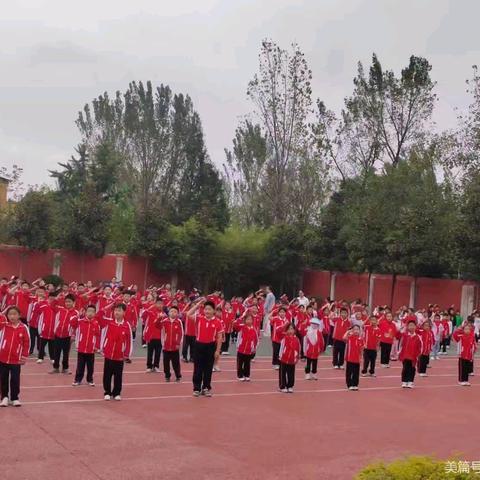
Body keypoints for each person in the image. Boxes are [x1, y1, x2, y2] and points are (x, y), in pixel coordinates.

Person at [186, 298, 224, 397]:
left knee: (208, 369)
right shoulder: (199, 318)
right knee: (198, 368)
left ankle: (206, 388)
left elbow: (219, 337)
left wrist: (217, 350)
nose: (207, 311)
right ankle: (197, 388)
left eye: (209, 309)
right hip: (199, 346)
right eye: (206, 309)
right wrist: (198, 304)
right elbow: (188, 314)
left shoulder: (218, 322)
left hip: (210, 347)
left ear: (214, 311)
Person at [98, 303, 133, 401]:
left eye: (119, 310)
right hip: (108, 354)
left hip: (119, 356)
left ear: (124, 313)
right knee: (107, 375)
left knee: (118, 376)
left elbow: (129, 341)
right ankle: (107, 392)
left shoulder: (126, 326)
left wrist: (127, 354)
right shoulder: (109, 322)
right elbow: (98, 316)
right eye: (115, 310)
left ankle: (116, 393)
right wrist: (108, 306)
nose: (117, 312)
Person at [0, 306, 30, 407]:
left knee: (15, 379)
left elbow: (27, 343)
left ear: (19, 315)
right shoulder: (4, 326)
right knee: (3, 378)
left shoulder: (23, 327)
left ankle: (14, 398)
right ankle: (4, 397)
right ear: (7, 316)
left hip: (16, 360)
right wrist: (2, 313)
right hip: (3, 358)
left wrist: (24, 356)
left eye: (14, 314)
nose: (12, 316)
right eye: (10, 314)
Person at [71, 304, 100, 386]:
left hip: (91, 350)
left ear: (95, 313)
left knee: (90, 367)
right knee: (80, 366)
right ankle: (77, 379)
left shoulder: (96, 323)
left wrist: (96, 346)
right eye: (89, 311)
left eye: (92, 312)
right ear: (86, 312)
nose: (90, 313)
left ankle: (90, 380)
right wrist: (79, 315)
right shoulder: (80, 321)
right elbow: (72, 322)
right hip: (81, 348)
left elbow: (98, 336)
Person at [50, 293, 78, 374]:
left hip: (67, 336)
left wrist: (73, 335)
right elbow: (52, 306)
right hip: (58, 335)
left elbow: (76, 325)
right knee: (56, 352)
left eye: (69, 302)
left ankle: (65, 368)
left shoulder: (75, 312)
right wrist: (56, 298)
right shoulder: (61, 309)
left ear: (73, 303)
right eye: (66, 302)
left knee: (66, 353)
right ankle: (56, 368)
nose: (67, 303)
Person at [157, 306, 183, 382]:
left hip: (175, 347)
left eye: (175, 311)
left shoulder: (179, 322)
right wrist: (159, 318)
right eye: (171, 311)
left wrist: (178, 343)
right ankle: (167, 375)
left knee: (176, 363)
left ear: (177, 313)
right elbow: (157, 325)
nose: (173, 313)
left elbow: (181, 333)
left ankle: (178, 375)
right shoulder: (164, 321)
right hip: (166, 346)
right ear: (168, 313)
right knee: (166, 363)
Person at [233, 313, 259, 381]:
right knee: (240, 363)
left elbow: (256, 339)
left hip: (249, 350)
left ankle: (246, 375)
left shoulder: (254, 329)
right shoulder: (241, 327)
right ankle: (240, 375)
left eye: (250, 319)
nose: (249, 321)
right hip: (241, 349)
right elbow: (235, 324)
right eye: (247, 319)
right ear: (244, 320)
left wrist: (254, 348)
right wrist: (241, 317)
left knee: (247, 364)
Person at [277, 323, 301, 393]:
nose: (291, 330)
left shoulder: (296, 339)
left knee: (291, 373)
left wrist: (297, 357)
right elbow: (281, 347)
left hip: (292, 360)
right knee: (282, 373)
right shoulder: (284, 338)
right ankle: (282, 386)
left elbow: (298, 348)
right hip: (284, 359)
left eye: (292, 329)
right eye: (289, 329)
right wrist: (280, 356)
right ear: (286, 330)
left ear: (295, 330)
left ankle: (290, 386)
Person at [143, 297, 165, 373]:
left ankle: (156, 366)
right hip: (151, 336)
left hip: (159, 337)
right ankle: (149, 366)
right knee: (150, 352)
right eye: (158, 303)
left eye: (161, 304)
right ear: (155, 304)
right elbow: (143, 314)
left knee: (158, 352)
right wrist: (151, 306)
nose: (160, 305)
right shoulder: (151, 312)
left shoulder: (164, 314)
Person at [399, 320, 422, 389]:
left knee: (412, 369)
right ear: (407, 327)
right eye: (410, 325)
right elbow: (401, 344)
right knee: (405, 369)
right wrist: (400, 353)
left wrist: (418, 355)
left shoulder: (418, 337)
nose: (411, 327)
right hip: (405, 356)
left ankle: (410, 381)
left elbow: (420, 347)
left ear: (415, 327)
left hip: (413, 357)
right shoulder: (405, 336)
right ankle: (404, 381)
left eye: (413, 325)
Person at [344, 325, 364, 391]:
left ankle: (355, 384)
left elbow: (361, 349)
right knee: (349, 372)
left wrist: (361, 357)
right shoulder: (349, 337)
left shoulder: (361, 339)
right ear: (352, 330)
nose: (356, 331)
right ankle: (349, 384)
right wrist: (348, 332)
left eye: (357, 329)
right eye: (354, 329)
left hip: (357, 359)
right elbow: (344, 338)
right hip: (349, 358)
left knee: (356, 372)